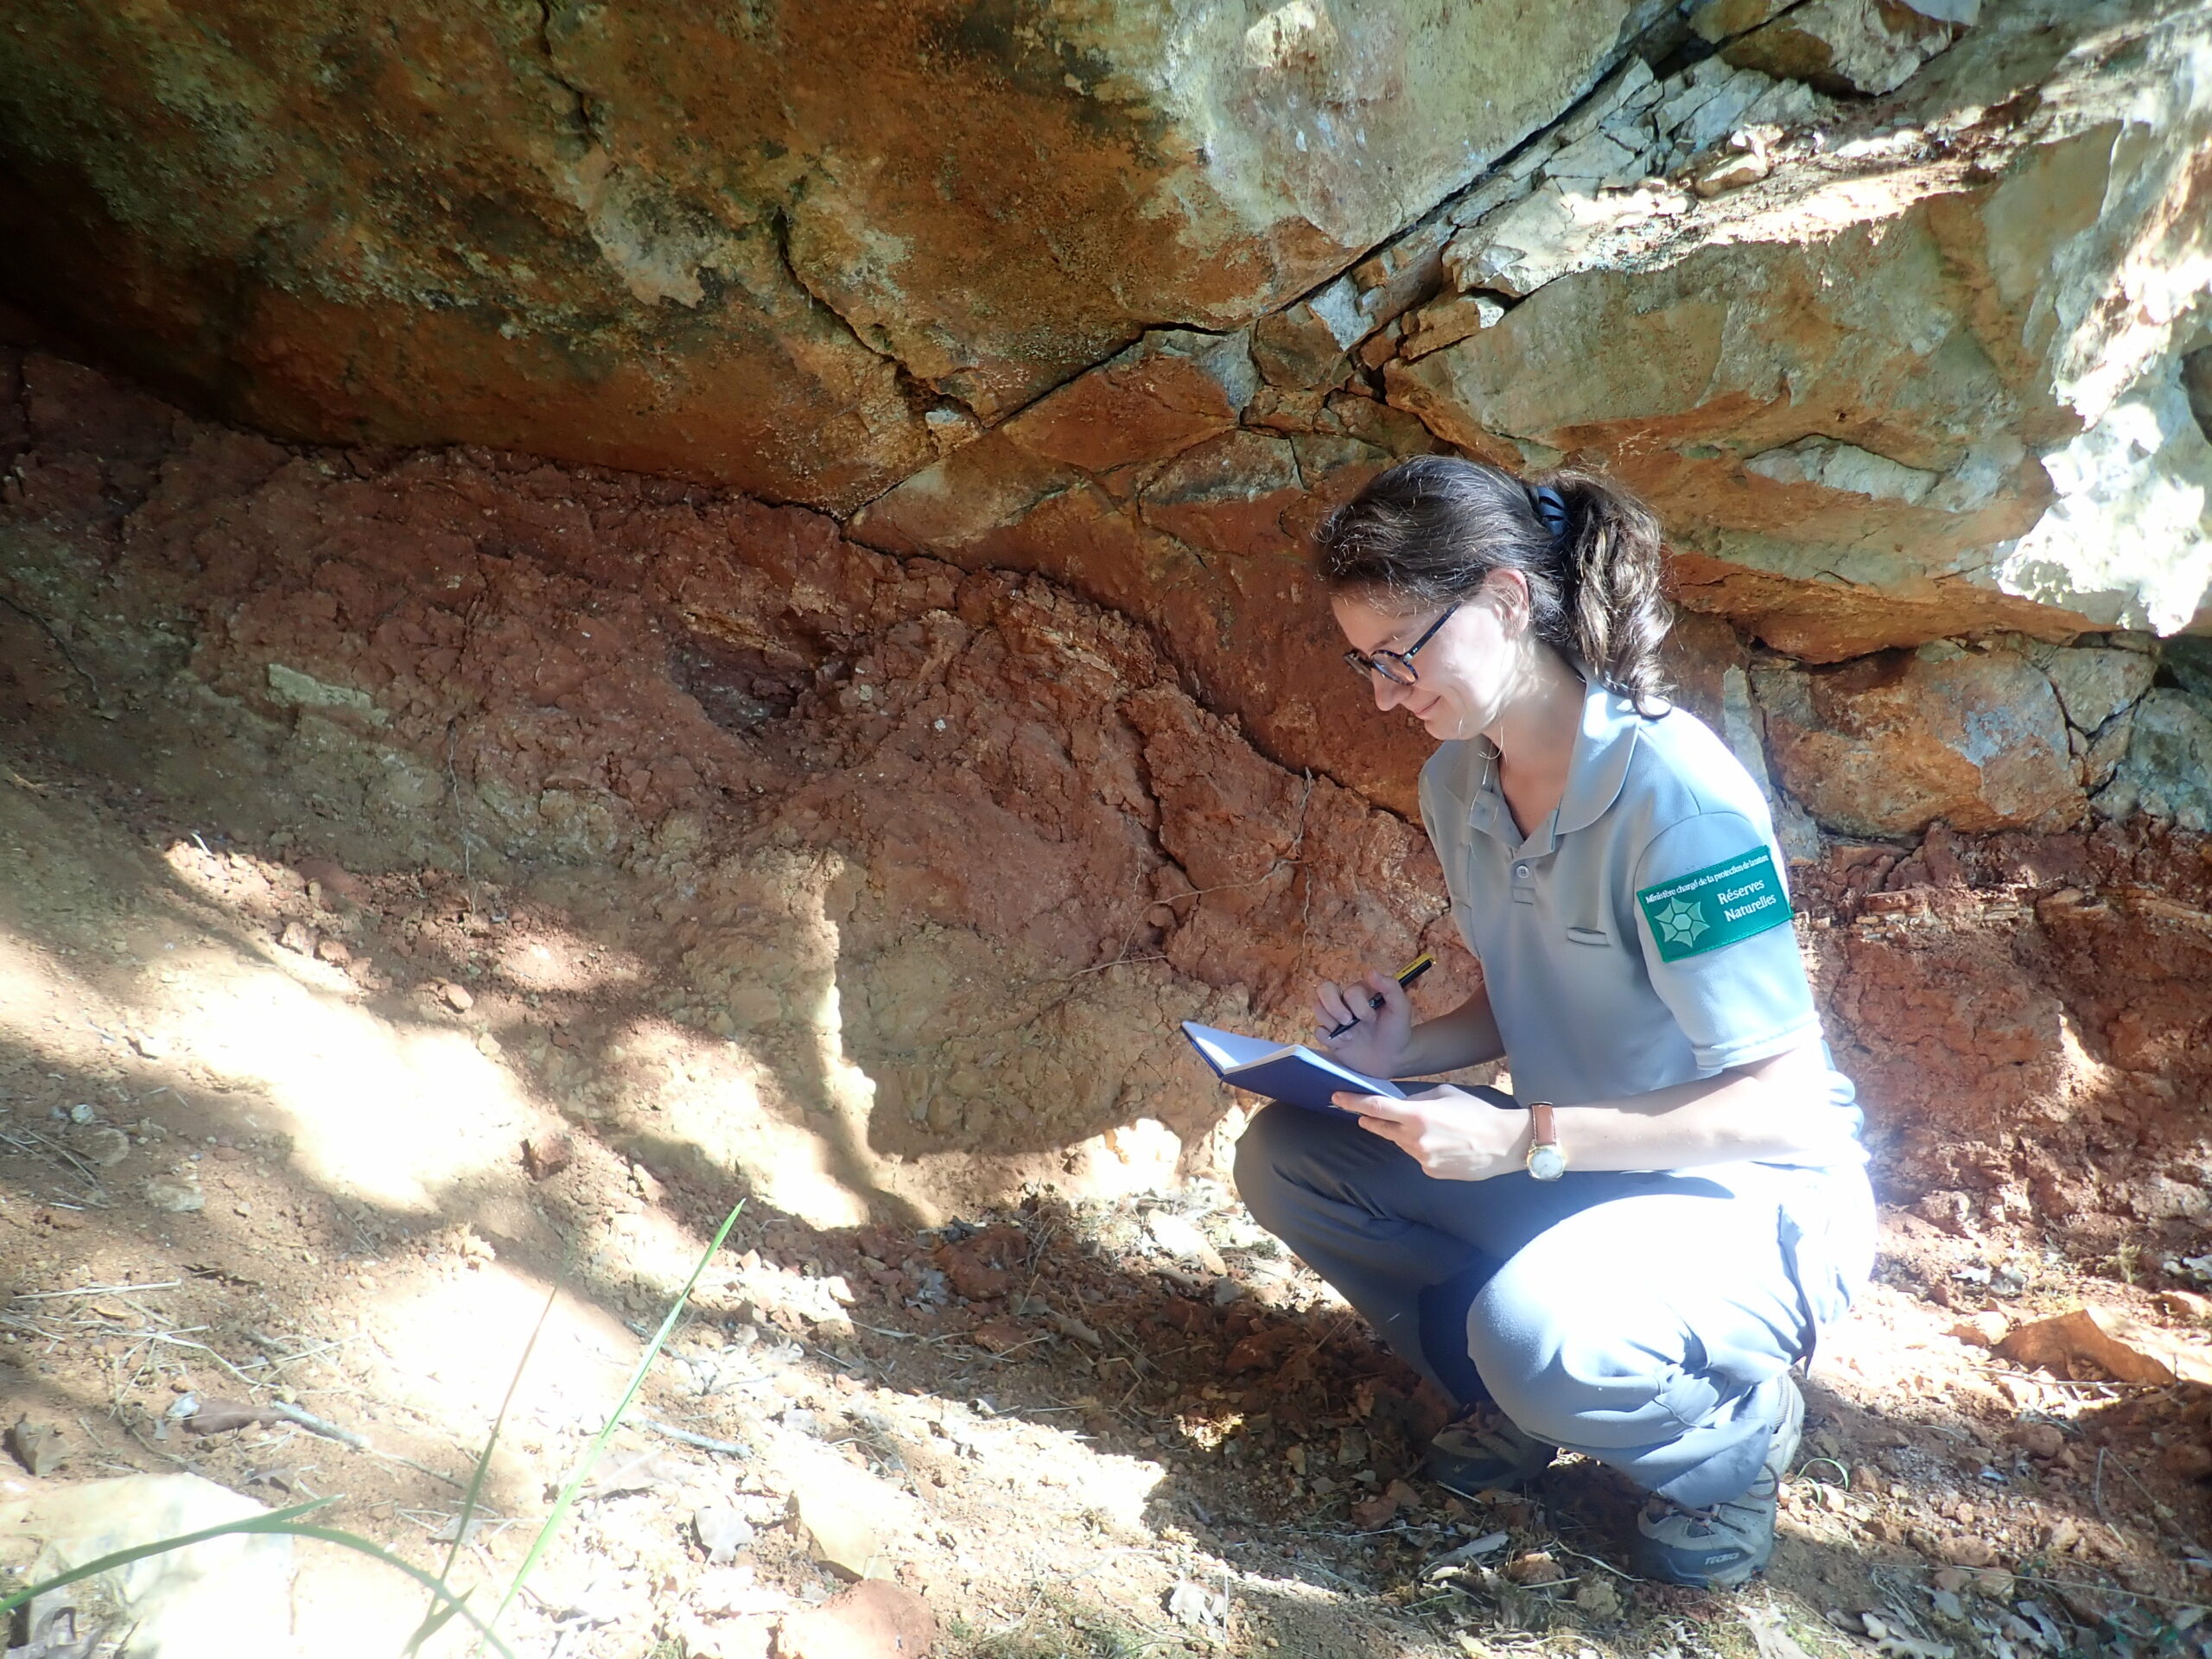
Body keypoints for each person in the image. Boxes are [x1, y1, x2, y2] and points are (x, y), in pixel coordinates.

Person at [1233, 454, 1874, 1589]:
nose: (1384, 694)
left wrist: (1523, 1140)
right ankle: (1518, 1386)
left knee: (1541, 1337)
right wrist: (1406, 1051)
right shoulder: (1460, 781)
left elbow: (1780, 1107)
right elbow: (1531, 992)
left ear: (1505, 598)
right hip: (1580, 1166)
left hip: (1743, 1201)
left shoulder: (1679, 805)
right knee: (1293, 1158)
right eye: (1366, 662)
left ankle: (1732, 1438)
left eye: (1401, 653)